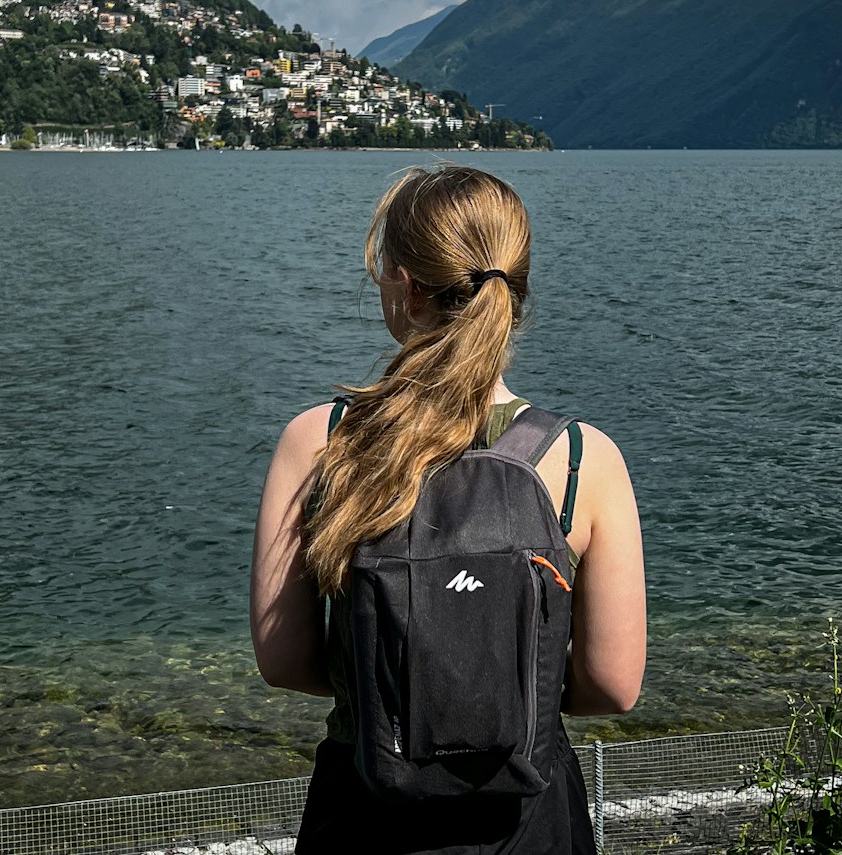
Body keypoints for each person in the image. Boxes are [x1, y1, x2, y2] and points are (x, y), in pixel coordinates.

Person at [251, 165, 646, 854]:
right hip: (529, 822)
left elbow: (286, 661)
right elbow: (613, 685)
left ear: (404, 286)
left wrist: (394, 691)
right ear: (515, 290)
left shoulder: (319, 442)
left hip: (364, 816)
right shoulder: (583, 457)